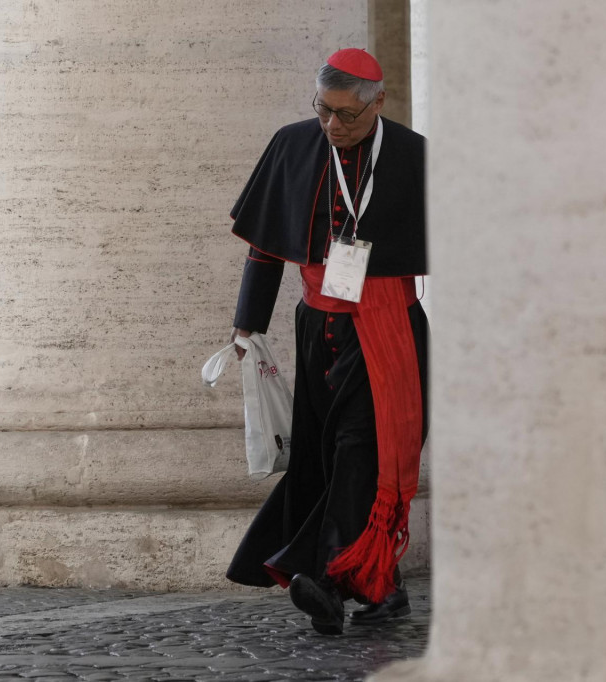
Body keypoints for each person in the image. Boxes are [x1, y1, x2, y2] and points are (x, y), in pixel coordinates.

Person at [223, 48, 428, 636]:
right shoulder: (293, 144)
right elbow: (265, 245)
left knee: (363, 451)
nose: (333, 125)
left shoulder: (414, 156)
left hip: (388, 329)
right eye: (323, 110)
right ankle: (382, 588)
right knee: (326, 456)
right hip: (317, 326)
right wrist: (247, 325)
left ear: (378, 102)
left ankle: (328, 581)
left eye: (347, 115)